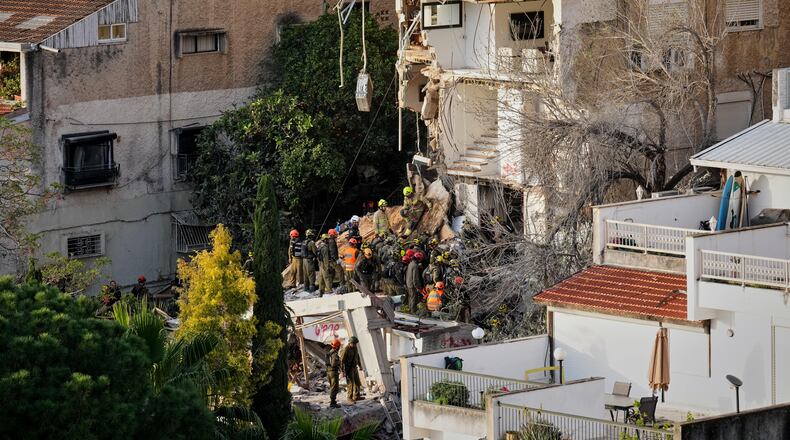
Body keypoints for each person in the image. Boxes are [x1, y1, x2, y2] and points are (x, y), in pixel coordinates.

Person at [340, 336, 363, 402]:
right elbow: (342, 361)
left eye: (355, 343)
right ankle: (349, 397)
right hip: (348, 369)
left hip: (354, 367)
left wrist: (360, 365)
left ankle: (356, 396)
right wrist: (342, 371)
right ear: (350, 343)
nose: (355, 345)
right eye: (354, 343)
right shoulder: (345, 349)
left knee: (357, 382)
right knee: (350, 383)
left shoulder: (355, 348)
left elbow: (357, 357)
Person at [327, 338, 342, 408]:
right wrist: (339, 362)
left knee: (332, 387)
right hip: (333, 372)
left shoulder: (329, 352)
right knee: (334, 387)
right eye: (339, 346)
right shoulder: (335, 354)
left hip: (329, 372)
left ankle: (333, 401)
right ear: (337, 346)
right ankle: (332, 402)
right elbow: (333, 364)